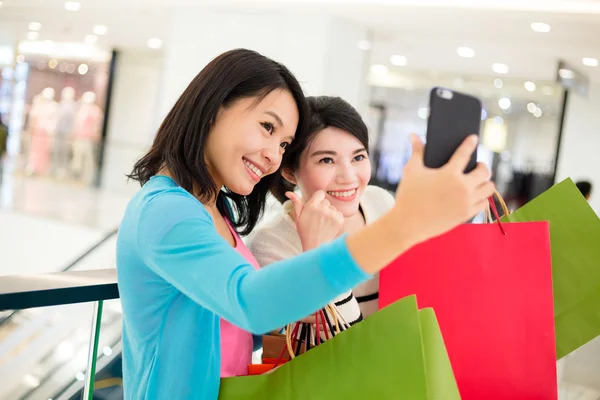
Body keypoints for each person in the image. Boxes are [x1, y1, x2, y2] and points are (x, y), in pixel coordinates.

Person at [116, 48, 495, 400]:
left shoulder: (210, 208)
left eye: (283, 144)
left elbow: (241, 321)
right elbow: (250, 301)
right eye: (267, 127)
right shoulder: (164, 210)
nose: (271, 156)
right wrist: (406, 223)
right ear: (213, 108)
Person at [249, 96, 394, 326]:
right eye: (327, 160)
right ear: (289, 171)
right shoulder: (271, 245)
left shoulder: (381, 203)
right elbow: (340, 340)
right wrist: (317, 253)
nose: (348, 177)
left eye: (358, 157)